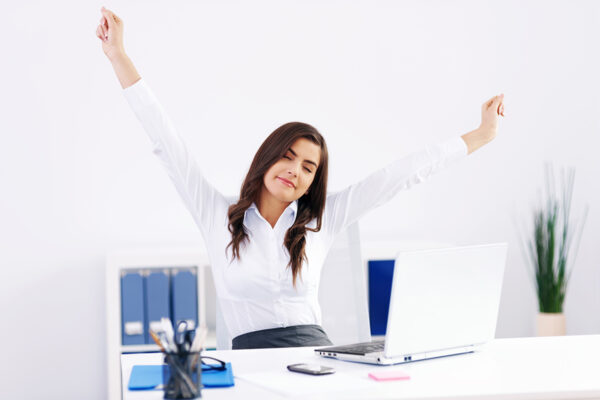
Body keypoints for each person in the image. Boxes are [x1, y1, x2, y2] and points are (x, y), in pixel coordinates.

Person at [96, 7, 505, 349]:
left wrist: (481, 136)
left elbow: (400, 176)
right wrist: (118, 56)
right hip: (250, 364)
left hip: (317, 361)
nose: (295, 170)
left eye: (309, 167)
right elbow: (166, 141)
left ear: (313, 181)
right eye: (289, 157)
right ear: (267, 159)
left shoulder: (322, 220)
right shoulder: (216, 215)